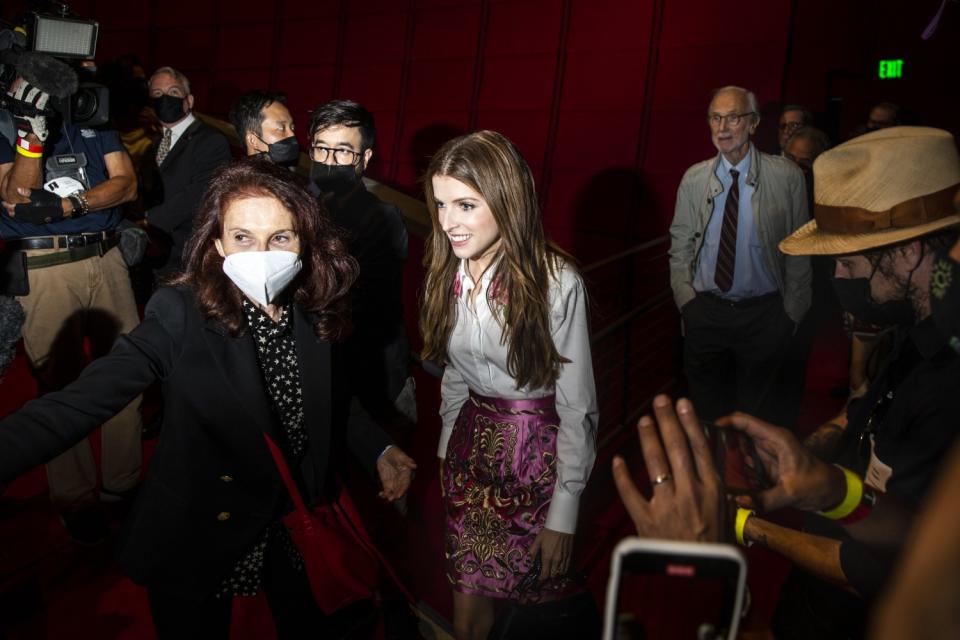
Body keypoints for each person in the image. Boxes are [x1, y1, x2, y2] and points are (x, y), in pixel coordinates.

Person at [0, 159, 417, 638]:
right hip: (199, 525)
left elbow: (334, 398)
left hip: (290, 515)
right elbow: (81, 402)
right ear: (218, 243)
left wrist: (377, 448)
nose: (261, 253)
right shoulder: (180, 313)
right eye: (242, 238)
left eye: (280, 237)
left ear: (305, 241)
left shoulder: (313, 305)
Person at [420, 130, 598, 640]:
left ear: (506, 198)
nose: (448, 222)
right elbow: (455, 376)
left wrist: (564, 512)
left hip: (535, 463)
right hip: (469, 453)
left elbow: (578, 404)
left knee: (528, 620)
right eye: (440, 204)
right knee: (467, 614)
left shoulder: (556, 281)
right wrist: (443, 447)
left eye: (465, 204)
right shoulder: (445, 273)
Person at [0, 69, 142, 544]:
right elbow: (16, 201)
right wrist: (29, 140)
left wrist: (68, 206)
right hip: (44, 267)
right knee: (59, 385)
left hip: (106, 256)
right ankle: (76, 498)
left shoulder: (92, 115)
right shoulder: (5, 123)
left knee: (130, 373)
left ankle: (122, 487)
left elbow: (127, 184)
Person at [669, 85, 812, 428]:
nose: (722, 128)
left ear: (754, 123)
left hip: (764, 316)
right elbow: (679, 247)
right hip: (706, 312)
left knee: (760, 419)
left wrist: (792, 313)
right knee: (706, 417)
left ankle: (755, 479)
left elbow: (800, 248)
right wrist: (688, 303)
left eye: (733, 117)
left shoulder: (786, 177)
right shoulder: (693, 179)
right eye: (715, 118)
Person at [308, 100, 414, 428]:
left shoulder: (384, 218)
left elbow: (360, 299)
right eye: (321, 149)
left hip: (374, 371)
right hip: (324, 366)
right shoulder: (306, 209)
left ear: (364, 159)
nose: (329, 161)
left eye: (342, 152)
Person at [140, 66, 231, 277]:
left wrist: (149, 221)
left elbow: (202, 192)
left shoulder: (211, 140)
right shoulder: (151, 145)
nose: (165, 98)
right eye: (157, 94)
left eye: (173, 92)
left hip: (189, 255)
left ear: (189, 100)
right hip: (155, 254)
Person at [229, 90, 299, 164]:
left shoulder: (284, 174)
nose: (292, 135)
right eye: (281, 128)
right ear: (253, 140)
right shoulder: (238, 175)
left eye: (292, 128)